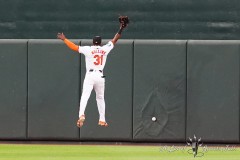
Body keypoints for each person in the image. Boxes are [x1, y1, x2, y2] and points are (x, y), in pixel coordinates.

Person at [57, 21, 128, 128]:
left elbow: (74, 47)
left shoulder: (88, 49)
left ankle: (81, 114)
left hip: (90, 75)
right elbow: (115, 40)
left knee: (85, 96)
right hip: (100, 76)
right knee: (100, 98)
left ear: (93, 42)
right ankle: (102, 119)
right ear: (100, 42)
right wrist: (121, 29)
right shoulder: (105, 49)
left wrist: (65, 39)